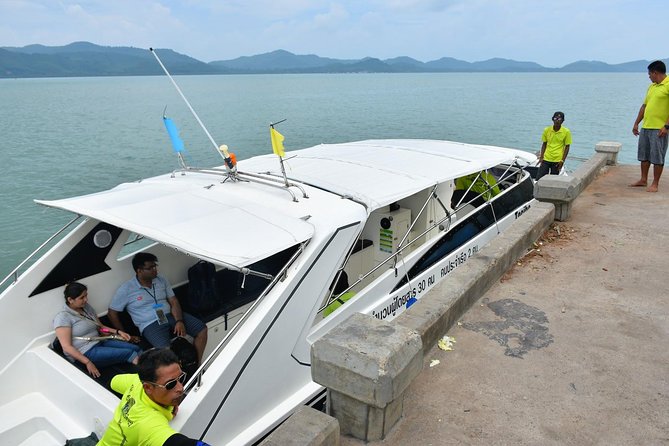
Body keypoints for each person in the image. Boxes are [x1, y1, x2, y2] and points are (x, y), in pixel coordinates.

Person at [97, 348, 211, 446]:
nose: (180, 388)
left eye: (181, 378)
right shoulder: (147, 423)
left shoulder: (137, 381)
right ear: (148, 388)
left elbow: (113, 382)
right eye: (170, 384)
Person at [108, 253, 208, 364]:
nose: (155, 270)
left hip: (170, 315)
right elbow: (112, 313)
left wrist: (179, 321)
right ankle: (179, 376)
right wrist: (125, 335)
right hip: (149, 323)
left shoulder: (161, 280)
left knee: (202, 329)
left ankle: (198, 365)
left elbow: (173, 301)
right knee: (165, 352)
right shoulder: (126, 289)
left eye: (155, 266)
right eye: (150, 268)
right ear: (139, 270)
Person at [54, 282, 141, 378]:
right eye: (82, 298)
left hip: (99, 342)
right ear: (70, 300)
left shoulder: (86, 308)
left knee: (135, 348)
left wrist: (118, 332)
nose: (86, 300)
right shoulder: (63, 317)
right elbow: (67, 347)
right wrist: (87, 362)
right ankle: (148, 376)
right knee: (129, 353)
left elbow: (100, 327)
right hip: (85, 352)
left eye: (86, 296)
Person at [631, 60, 669, 192]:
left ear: (655, 72)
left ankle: (655, 184)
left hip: (659, 128)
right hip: (646, 127)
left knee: (657, 156)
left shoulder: (668, 85)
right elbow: (644, 106)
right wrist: (636, 123)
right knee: (644, 155)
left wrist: (666, 126)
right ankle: (643, 179)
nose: (649, 77)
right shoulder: (652, 87)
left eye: (649, 74)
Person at [537, 111, 571, 180]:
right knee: (539, 178)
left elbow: (567, 147)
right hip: (546, 158)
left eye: (559, 119)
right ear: (552, 119)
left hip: (557, 160)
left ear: (563, 121)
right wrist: (541, 157)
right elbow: (544, 144)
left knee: (553, 180)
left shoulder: (566, 132)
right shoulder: (547, 130)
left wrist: (562, 161)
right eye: (555, 118)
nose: (557, 121)